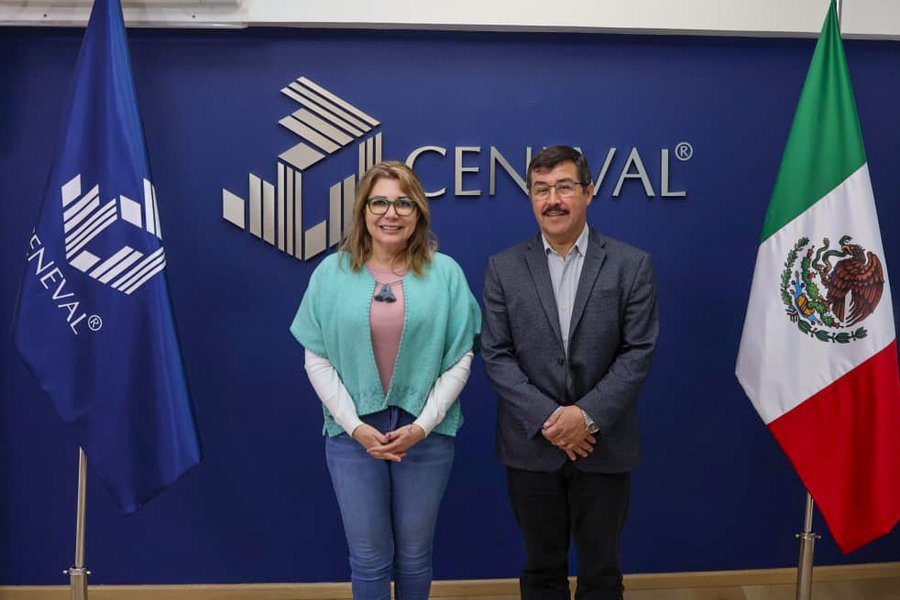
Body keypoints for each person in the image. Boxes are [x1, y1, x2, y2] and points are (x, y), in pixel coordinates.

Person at [290, 160, 481, 600]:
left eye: (403, 203)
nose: (390, 213)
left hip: (426, 433)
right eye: (379, 202)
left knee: (415, 555)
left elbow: (460, 358)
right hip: (352, 435)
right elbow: (316, 358)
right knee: (368, 558)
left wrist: (422, 426)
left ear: (418, 212)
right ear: (363, 210)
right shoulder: (331, 273)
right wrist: (355, 426)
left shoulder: (446, 273)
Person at [481, 146, 658, 600]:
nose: (553, 200)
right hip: (531, 446)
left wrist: (585, 417)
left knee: (602, 574)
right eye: (541, 190)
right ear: (531, 196)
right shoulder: (503, 267)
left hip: (604, 444)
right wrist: (551, 419)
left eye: (564, 187)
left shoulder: (631, 264)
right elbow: (495, 354)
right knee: (542, 572)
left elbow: (637, 352)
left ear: (588, 192)